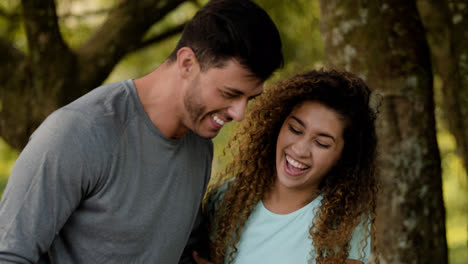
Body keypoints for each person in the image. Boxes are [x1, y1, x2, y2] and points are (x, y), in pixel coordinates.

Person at [0, 0, 283, 263]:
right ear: (187, 63)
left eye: (249, 98)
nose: (239, 113)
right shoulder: (79, 132)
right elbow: (9, 254)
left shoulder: (199, 146)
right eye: (229, 93)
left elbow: (180, 249)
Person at [194, 69, 379, 264]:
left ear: (343, 156)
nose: (300, 150)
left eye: (322, 143)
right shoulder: (227, 197)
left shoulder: (342, 222)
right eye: (295, 129)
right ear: (278, 125)